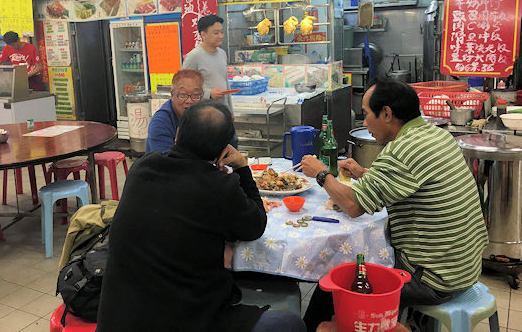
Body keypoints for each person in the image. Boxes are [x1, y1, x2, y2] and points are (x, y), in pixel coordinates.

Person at [97, 101, 305, 332]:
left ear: (177, 133)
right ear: (223, 148)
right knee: (289, 324)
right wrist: (242, 168)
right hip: (183, 319)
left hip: (120, 317)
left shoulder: (142, 167)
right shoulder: (218, 187)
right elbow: (256, 225)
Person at [300, 79, 488, 332]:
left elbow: (354, 206)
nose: (365, 123)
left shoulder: (401, 151)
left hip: (434, 279)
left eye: (367, 114)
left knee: (334, 280)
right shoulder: (436, 135)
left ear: (387, 113)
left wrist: (322, 174)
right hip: (464, 265)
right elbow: (408, 182)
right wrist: (364, 173)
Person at [182, 14, 233, 114]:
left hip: (223, 111)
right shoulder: (193, 57)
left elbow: (226, 84)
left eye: (222, 32)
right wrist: (208, 93)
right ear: (203, 35)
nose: (221, 36)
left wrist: (230, 111)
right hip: (204, 114)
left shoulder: (222, 54)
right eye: (216, 33)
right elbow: (183, 87)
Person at [145, 69, 204, 153]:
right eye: (183, 95)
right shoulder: (160, 122)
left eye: (196, 95)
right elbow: (165, 161)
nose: (189, 101)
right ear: (172, 95)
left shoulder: (205, 116)